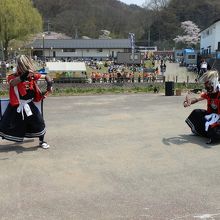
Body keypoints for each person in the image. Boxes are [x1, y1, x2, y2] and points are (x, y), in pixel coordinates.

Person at [0, 55, 52, 149]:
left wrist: (49, 83)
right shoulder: (13, 77)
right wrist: (24, 75)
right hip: (16, 106)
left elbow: (46, 76)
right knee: (6, 124)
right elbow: (13, 83)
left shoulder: (32, 76)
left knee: (39, 122)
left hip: (29, 104)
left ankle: (41, 141)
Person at [184, 70, 220, 144]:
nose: (206, 87)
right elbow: (197, 99)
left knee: (214, 131)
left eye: (208, 85)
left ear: (214, 83)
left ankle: (211, 134)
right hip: (211, 117)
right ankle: (200, 132)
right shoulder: (209, 93)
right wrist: (190, 102)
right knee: (196, 113)